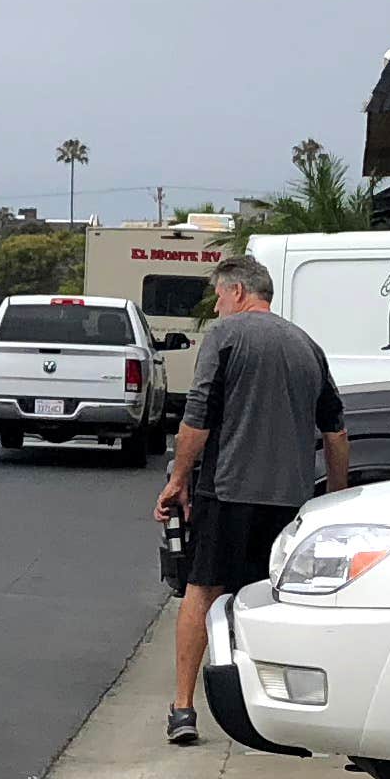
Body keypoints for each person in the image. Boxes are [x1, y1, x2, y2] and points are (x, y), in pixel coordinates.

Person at [153, 253, 349, 746]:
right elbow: (336, 430)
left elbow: (197, 419)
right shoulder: (307, 345)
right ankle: (278, 714)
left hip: (227, 490)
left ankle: (182, 709)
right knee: (272, 603)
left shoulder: (225, 337)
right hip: (289, 501)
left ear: (238, 292)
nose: (217, 307)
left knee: (202, 590)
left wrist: (178, 480)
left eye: (219, 296)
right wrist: (338, 495)